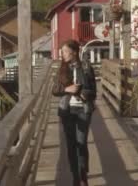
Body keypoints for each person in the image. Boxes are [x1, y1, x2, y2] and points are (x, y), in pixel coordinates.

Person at [52, 40, 97, 186]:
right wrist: (67, 90)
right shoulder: (62, 69)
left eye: (65, 51)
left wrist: (84, 93)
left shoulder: (86, 67)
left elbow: (94, 91)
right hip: (67, 110)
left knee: (82, 144)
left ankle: (83, 177)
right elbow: (54, 90)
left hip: (83, 110)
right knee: (72, 145)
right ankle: (75, 178)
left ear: (75, 52)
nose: (63, 55)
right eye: (62, 52)